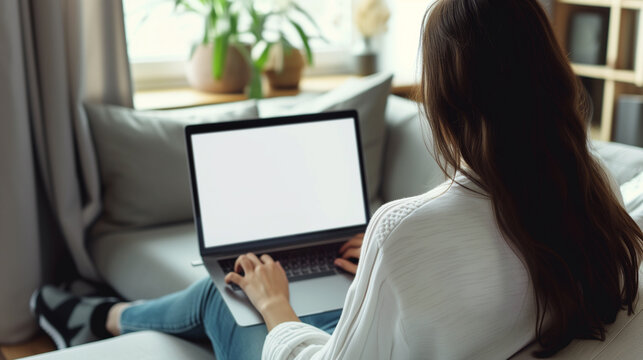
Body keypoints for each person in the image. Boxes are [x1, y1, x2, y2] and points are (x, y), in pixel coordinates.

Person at [31, 0, 642, 359]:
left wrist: (277, 308)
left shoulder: (405, 229)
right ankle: (101, 314)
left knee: (228, 293)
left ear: (447, 103)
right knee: (255, 280)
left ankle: (100, 317)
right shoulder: (592, 187)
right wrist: (378, 268)